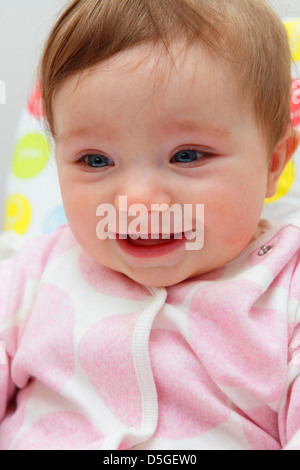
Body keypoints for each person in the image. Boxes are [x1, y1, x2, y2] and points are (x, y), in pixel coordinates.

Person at [0, 0, 300, 450]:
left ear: (273, 163)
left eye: (188, 155)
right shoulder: (32, 275)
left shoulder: (286, 288)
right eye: (95, 160)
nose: (136, 200)